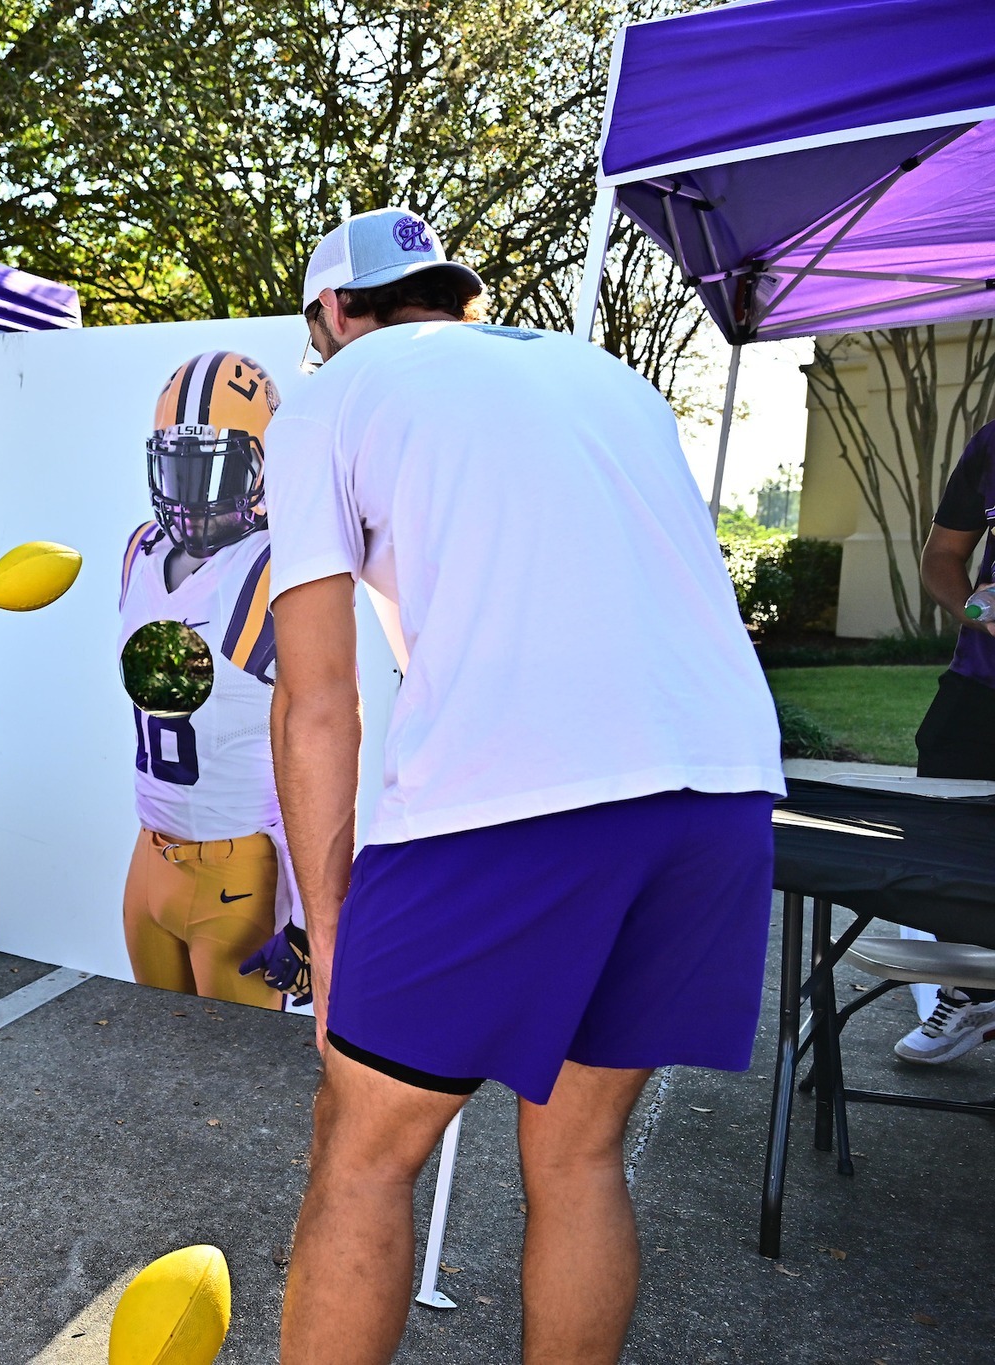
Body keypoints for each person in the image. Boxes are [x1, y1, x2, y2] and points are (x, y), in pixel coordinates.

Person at [263, 208, 783, 1364]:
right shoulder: (604, 377)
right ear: (453, 298)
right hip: (721, 785)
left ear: (334, 315)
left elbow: (314, 702)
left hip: (510, 798)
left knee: (361, 1147)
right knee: (579, 1154)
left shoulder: (333, 394)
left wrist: (329, 930)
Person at [118, 350, 293, 1008]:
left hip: (236, 870)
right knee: (157, 1066)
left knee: (233, 1090)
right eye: (180, 466)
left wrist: (306, 911)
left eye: (217, 469)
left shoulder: (270, 565)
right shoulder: (140, 551)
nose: (193, 492)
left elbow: (317, 741)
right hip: (149, 856)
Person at [892, 420, 995, 1062]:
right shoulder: (991, 443)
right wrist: (980, 610)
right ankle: (970, 991)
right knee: (943, 846)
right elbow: (942, 559)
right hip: (978, 687)